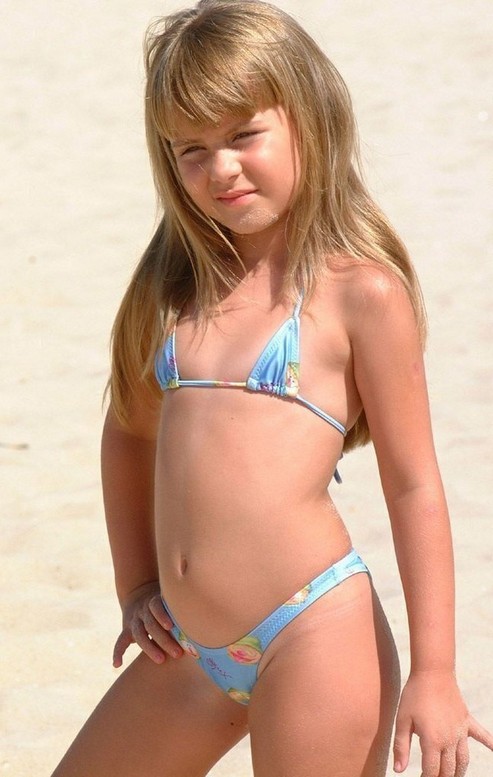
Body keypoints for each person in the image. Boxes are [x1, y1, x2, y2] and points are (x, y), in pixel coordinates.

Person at [51, 1, 493, 775]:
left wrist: (434, 670)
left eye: (242, 135)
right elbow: (127, 429)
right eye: (191, 149)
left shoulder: (360, 294)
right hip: (188, 645)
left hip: (314, 631)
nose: (220, 169)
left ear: (307, 120)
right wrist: (137, 581)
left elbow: (414, 483)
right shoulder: (174, 289)